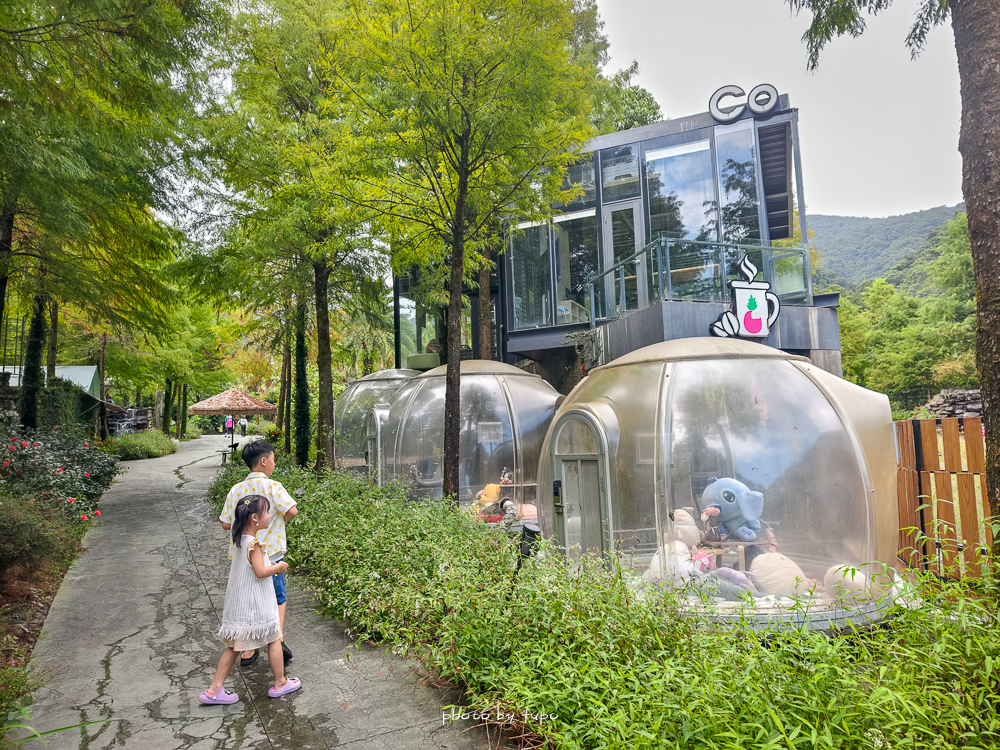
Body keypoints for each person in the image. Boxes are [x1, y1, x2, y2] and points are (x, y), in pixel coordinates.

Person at [200, 494, 301, 704]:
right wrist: (279, 567)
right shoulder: (253, 543)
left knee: (234, 646)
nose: (269, 515)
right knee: (273, 637)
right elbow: (261, 571)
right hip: (256, 604)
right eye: (266, 512)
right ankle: (280, 683)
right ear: (255, 518)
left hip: (241, 604)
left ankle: (213, 690)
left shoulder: (239, 538)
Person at [219, 440, 298, 667]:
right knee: (277, 598)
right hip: (271, 556)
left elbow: (225, 523)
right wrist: (275, 522)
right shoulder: (274, 487)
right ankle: (278, 639)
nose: (274, 463)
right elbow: (292, 511)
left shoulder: (236, 489)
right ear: (264, 461)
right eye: (273, 459)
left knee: (248, 602)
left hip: (243, 559)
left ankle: (247, 651)